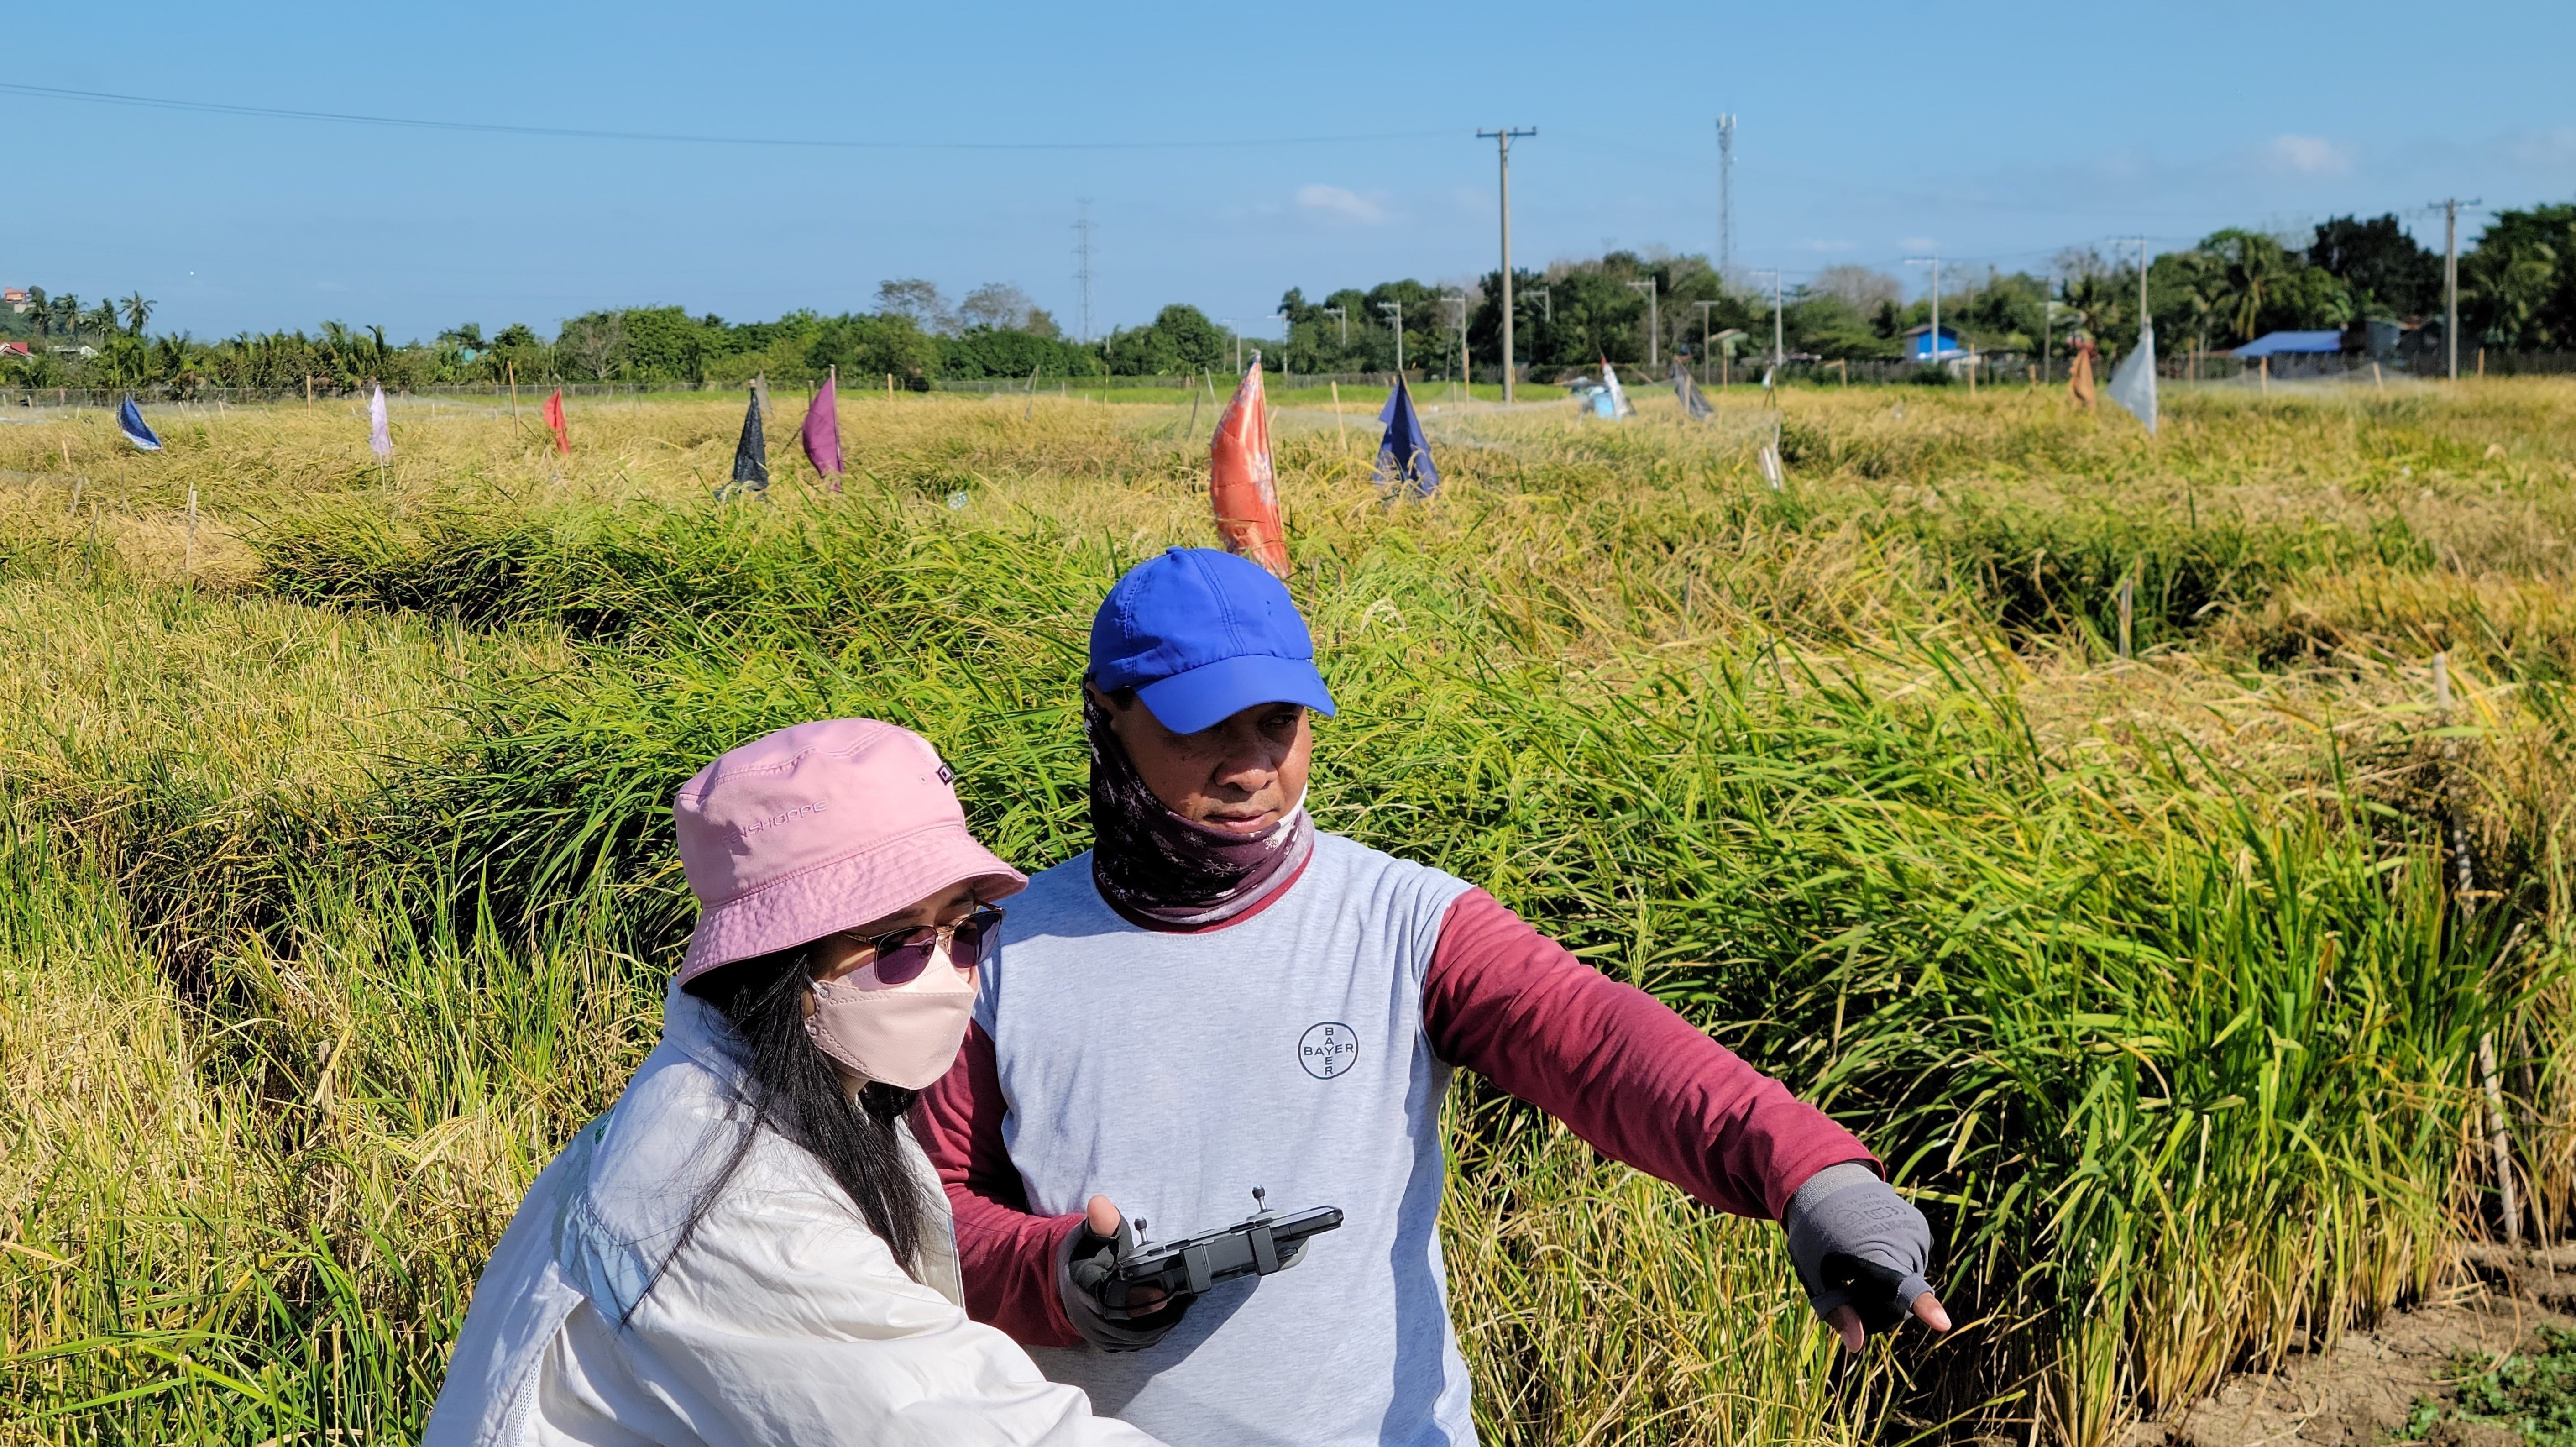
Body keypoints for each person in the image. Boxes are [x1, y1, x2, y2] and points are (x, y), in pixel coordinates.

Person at [914, 549, 1950, 1447]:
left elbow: (1597, 1041)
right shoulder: (1002, 950)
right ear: (1107, 716)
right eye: (1202, 729)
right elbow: (924, 1212)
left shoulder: (1403, 922)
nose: (1251, 769)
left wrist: (1811, 1174)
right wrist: (1061, 1277)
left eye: (1278, 722)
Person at [428, 718, 1173, 1447]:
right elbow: (958, 1421)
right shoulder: (734, 1203)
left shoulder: (796, 1097)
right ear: (779, 963)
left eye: (963, 927)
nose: (949, 975)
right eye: (899, 943)